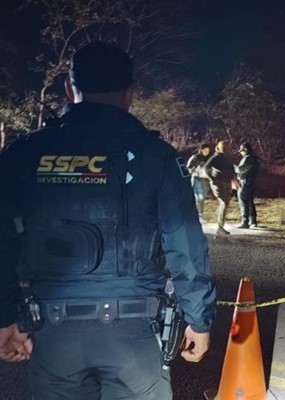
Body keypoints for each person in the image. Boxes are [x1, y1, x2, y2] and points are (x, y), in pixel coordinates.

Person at [0, 42, 216, 400]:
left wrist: (6, 316)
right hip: (133, 336)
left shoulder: (23, 154)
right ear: (130, 92)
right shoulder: (156, 156)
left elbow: (3, 242)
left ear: (70, 87)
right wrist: (198, 319)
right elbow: (185, 243)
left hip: (53, 333)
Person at [205, 140, 237, 235]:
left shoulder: (226, 158)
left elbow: (231, 169)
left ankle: (217, 218)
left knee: (226, 202)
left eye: (226, 147)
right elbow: (206, 168)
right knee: (224, 202)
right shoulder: (215, 157)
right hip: (218, 182)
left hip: (226, 182)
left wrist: (234, 180)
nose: (224, 148)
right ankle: (220, 227)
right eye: (223, 147)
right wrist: (211, 178)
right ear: (218, 147)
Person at [234, 142, 259, 229]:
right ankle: (253, 221)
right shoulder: (253, 158)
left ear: (245, 150)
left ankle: (245, 222)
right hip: (251, 181)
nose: (240, 152)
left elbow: (240, 170)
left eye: (241, 151)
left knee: (243, 200)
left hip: (245, 182)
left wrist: (233, 167)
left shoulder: (248, 158)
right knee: (249, 201)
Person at [187, 143, 212, 222]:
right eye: (205, 150)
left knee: (202, 198)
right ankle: (198, 215)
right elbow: (188, 168)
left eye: (208, 151)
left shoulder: (209, 159)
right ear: (201, 150)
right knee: (199, 197)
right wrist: (195, 170)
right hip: (197, 178)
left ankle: (198, 214)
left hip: (206, 179)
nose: (207, 152)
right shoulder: (195, 157)